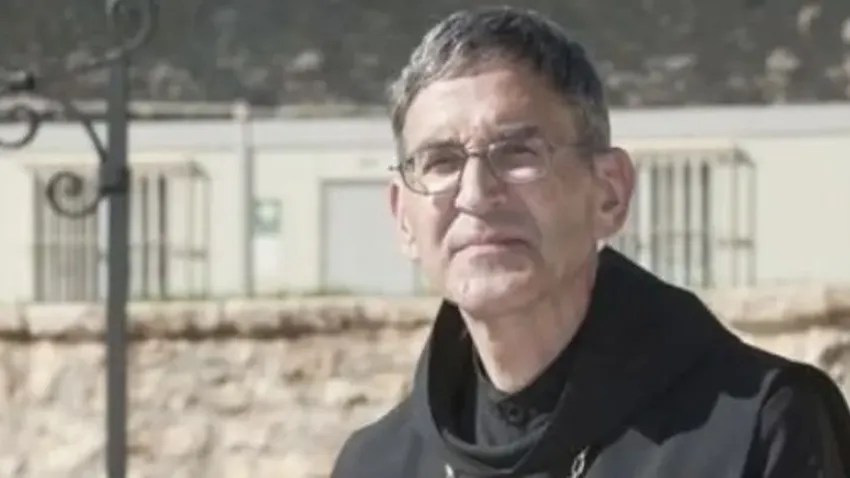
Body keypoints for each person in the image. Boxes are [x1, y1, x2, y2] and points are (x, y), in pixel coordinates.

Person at [330, 6, 850, 478]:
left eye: (517, 153)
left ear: (609, 193)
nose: (476, 194)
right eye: (441, 162)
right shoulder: (374, 465)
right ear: (403, 219)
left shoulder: (759, 429)